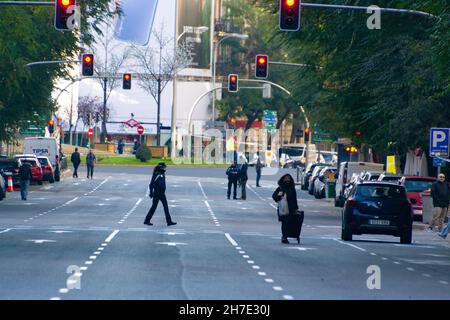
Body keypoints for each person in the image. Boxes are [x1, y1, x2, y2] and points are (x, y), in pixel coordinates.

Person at [272, 174, 301, 244]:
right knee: (284, 223)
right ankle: (284, 237)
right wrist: (280, 196)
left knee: (290, 223)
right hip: (283, 208)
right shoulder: (281, 188)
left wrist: (296, 208)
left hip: (291, 208)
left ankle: (287, 235)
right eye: (286, 178)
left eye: (289, 178)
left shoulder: (292, 188)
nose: (287, 180)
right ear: (283, 179)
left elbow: (294, 198)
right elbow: (274, 196)